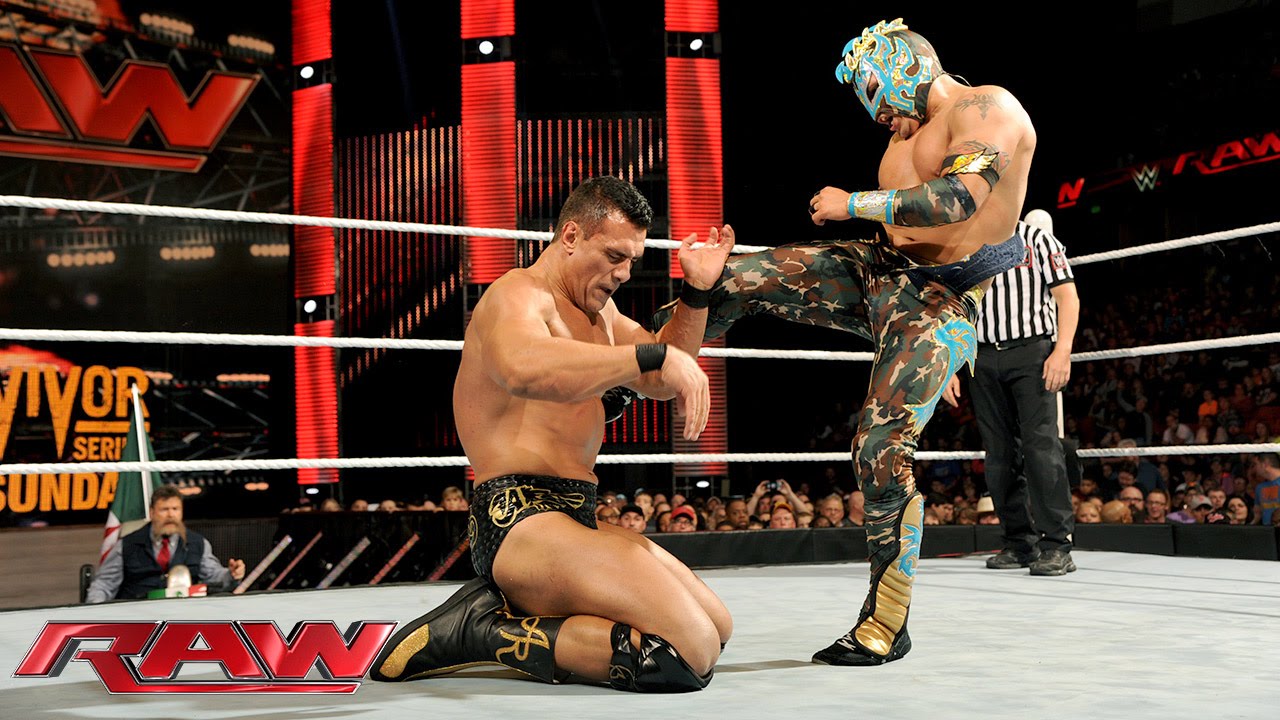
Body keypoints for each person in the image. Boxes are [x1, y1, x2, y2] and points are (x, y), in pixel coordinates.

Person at [652, 17, 1036, 666]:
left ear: (906, 69)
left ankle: (885, 625)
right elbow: (904, 222)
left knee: (879, 449)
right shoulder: (904, 136)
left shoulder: (988, 108)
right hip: (877, 271)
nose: (878, 115)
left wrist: (852, 204)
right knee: (733, 279)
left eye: (876, 94)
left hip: (937, 301)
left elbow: (957, 201)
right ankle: (639, 368)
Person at [371, 176, 735, 693]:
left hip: (575, 515)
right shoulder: (517, 295)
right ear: (570, 236)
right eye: (614, 256)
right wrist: (647, 355)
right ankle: (483, 630)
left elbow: (659, 376)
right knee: (689, 649)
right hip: (518, 520)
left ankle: (508, 617)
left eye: (632, 260)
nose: (624, 273)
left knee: (717, 628)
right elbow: (524, 368)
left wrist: (696, 293)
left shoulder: (602, 316)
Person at [943, 209, 1079, 576]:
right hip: (982, 357)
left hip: (1031, 352)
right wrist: (951, 365)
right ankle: (1019, 543)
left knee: (1041, 447)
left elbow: (1067, 297)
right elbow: (955, 310)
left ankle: (1057, 545)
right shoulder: (965, 242)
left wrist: (1062, 350)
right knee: (998, 453)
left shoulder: (1036, 239)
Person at [85, 484, 245, 603]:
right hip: (139, 618)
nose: (170, 515)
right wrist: (96, 614)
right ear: (152, 512)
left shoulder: (198, 543)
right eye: (164, 509)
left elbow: (215, 576)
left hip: (184, 617)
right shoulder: (127, 545)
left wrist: (231, 574)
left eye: (175, 509)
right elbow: (104, 585)